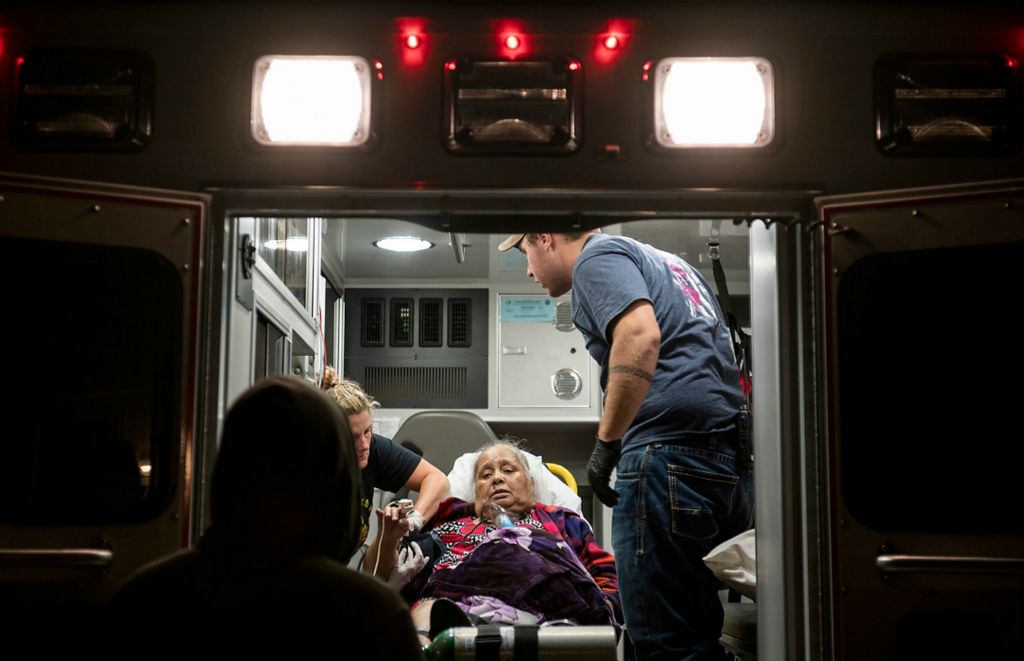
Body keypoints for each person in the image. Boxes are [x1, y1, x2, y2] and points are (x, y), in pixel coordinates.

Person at [499, 231, 754, 661]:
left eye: (525, 254)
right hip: (725, 465)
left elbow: (639, 337)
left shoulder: (594, 260)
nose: (528, 270)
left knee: (663, 645)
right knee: (693, 635)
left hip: (666, 459)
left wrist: (607, 442)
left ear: (544, 239)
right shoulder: (674, 265)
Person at [109, 376, 424, 659]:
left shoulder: (144, 599)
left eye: (368, 433)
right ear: (337, 487)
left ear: (226, 474)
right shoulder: (373, 616)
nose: (365, 444)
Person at [403, 439, 622, 646]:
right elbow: (413, 576)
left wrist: (601, 611)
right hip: (451, 607)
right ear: (476, 491)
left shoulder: (562, 521)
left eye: (508, 470)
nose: (497, 479)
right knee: (428, 605)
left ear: (531, 483)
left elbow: (606, 576)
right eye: (486, 475)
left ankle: (483, 632)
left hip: (541, 608)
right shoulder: (450, 522)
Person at [321, 367, 450, 575]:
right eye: (352, 437)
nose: (364, 445)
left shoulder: (373, 450)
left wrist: (414, 520)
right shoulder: (306, 469)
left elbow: (437, 480)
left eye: (367, 431)